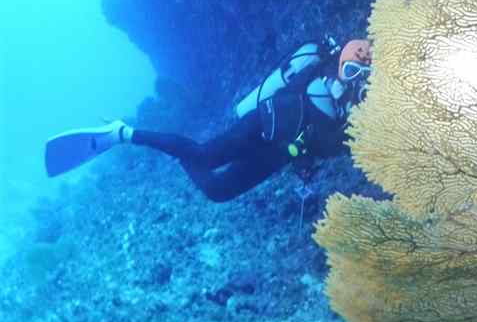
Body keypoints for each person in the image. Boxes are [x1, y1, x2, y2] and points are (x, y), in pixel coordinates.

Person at [44, 38, 372, 202]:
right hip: (264, 121)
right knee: (204, 155)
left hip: (278, 153)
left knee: (217, 190)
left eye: (361, 72)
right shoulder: (325, 71)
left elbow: (323, 141)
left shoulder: (360, 104)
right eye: (352, 67)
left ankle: (177, 152)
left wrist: (304, 165)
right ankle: (123, 133)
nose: (353, 76)